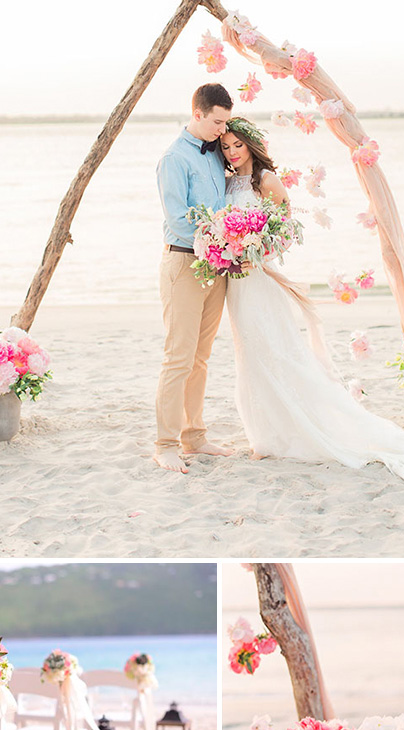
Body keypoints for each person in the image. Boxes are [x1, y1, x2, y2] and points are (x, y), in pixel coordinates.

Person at [220, 117, 404, 481]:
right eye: (225, 147)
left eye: (237, 145)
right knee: (249, 354)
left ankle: (289, 432)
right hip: (236, 282)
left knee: (274, 350)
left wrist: (256, 249)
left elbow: (285, 234)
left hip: (259, 278)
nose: (232, 153)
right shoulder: (227, 182)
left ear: (250, 145)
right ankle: (265, 436)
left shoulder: (266, 181)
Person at [154, 83, 234, 474]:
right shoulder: (173, 158)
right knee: (178, 358)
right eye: (217, 121)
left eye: (226, 122)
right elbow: (178, 219)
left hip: (218, 267)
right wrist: (224, 237)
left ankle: (195, 436)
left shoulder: (218, 153)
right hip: (184, 264)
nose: (222, 129)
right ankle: (165, 444)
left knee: (201, 359)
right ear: (198, 113)